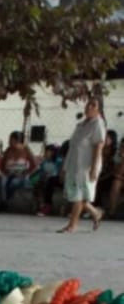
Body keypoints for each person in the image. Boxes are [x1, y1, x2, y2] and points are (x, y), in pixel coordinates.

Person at [59, 97, 105, 233]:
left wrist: (94, 168)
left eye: (94, 105)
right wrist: (65, 166)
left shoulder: (98, 124)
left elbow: (98, 146)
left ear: (99, 109)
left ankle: (72, 225)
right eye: (88, 104)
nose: (89, 107)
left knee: (79, 195)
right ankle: (96, 213)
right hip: (74, 164)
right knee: (78, 195)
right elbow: (73, 147)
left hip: (87, 166)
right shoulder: (81, 125)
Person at [0, 131, 37, 210]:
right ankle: (3, 202)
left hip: (20, 176)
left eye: (11, 140)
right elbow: (2, 164)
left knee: (14, 183)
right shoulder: (8, 150)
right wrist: (4, 172)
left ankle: (6, 201)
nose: (9, 142)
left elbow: (34, 164)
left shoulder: (26, 149)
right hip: (8, 174)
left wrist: (26, 173)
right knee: (2, 182)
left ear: (17, 141)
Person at [33, 144, 60, 216]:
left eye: (48, 152)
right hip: (45, 179)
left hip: (55, 179)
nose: (46, 153)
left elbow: (59, 172)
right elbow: (41, 172)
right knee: (38, 185)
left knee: (50, 182)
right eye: (46, 152)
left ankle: (48, 205)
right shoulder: (44, 162)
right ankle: (40, 204)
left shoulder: (58, 161)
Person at [95, 128, 117, 210]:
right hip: (100, 173)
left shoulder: (115, 152)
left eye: (107, 137)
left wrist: (102, 177)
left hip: (110, 176)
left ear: (112, 139)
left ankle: (98, 207)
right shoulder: (100, 149)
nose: (104, 139)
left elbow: (113, 170)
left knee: (100, 184)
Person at [108, 139, 124, 218]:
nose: (121, 149)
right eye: (121, 147)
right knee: (116, 183)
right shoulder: (117, 156)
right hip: (121, 178)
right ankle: (112, 211)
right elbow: (117, 173)